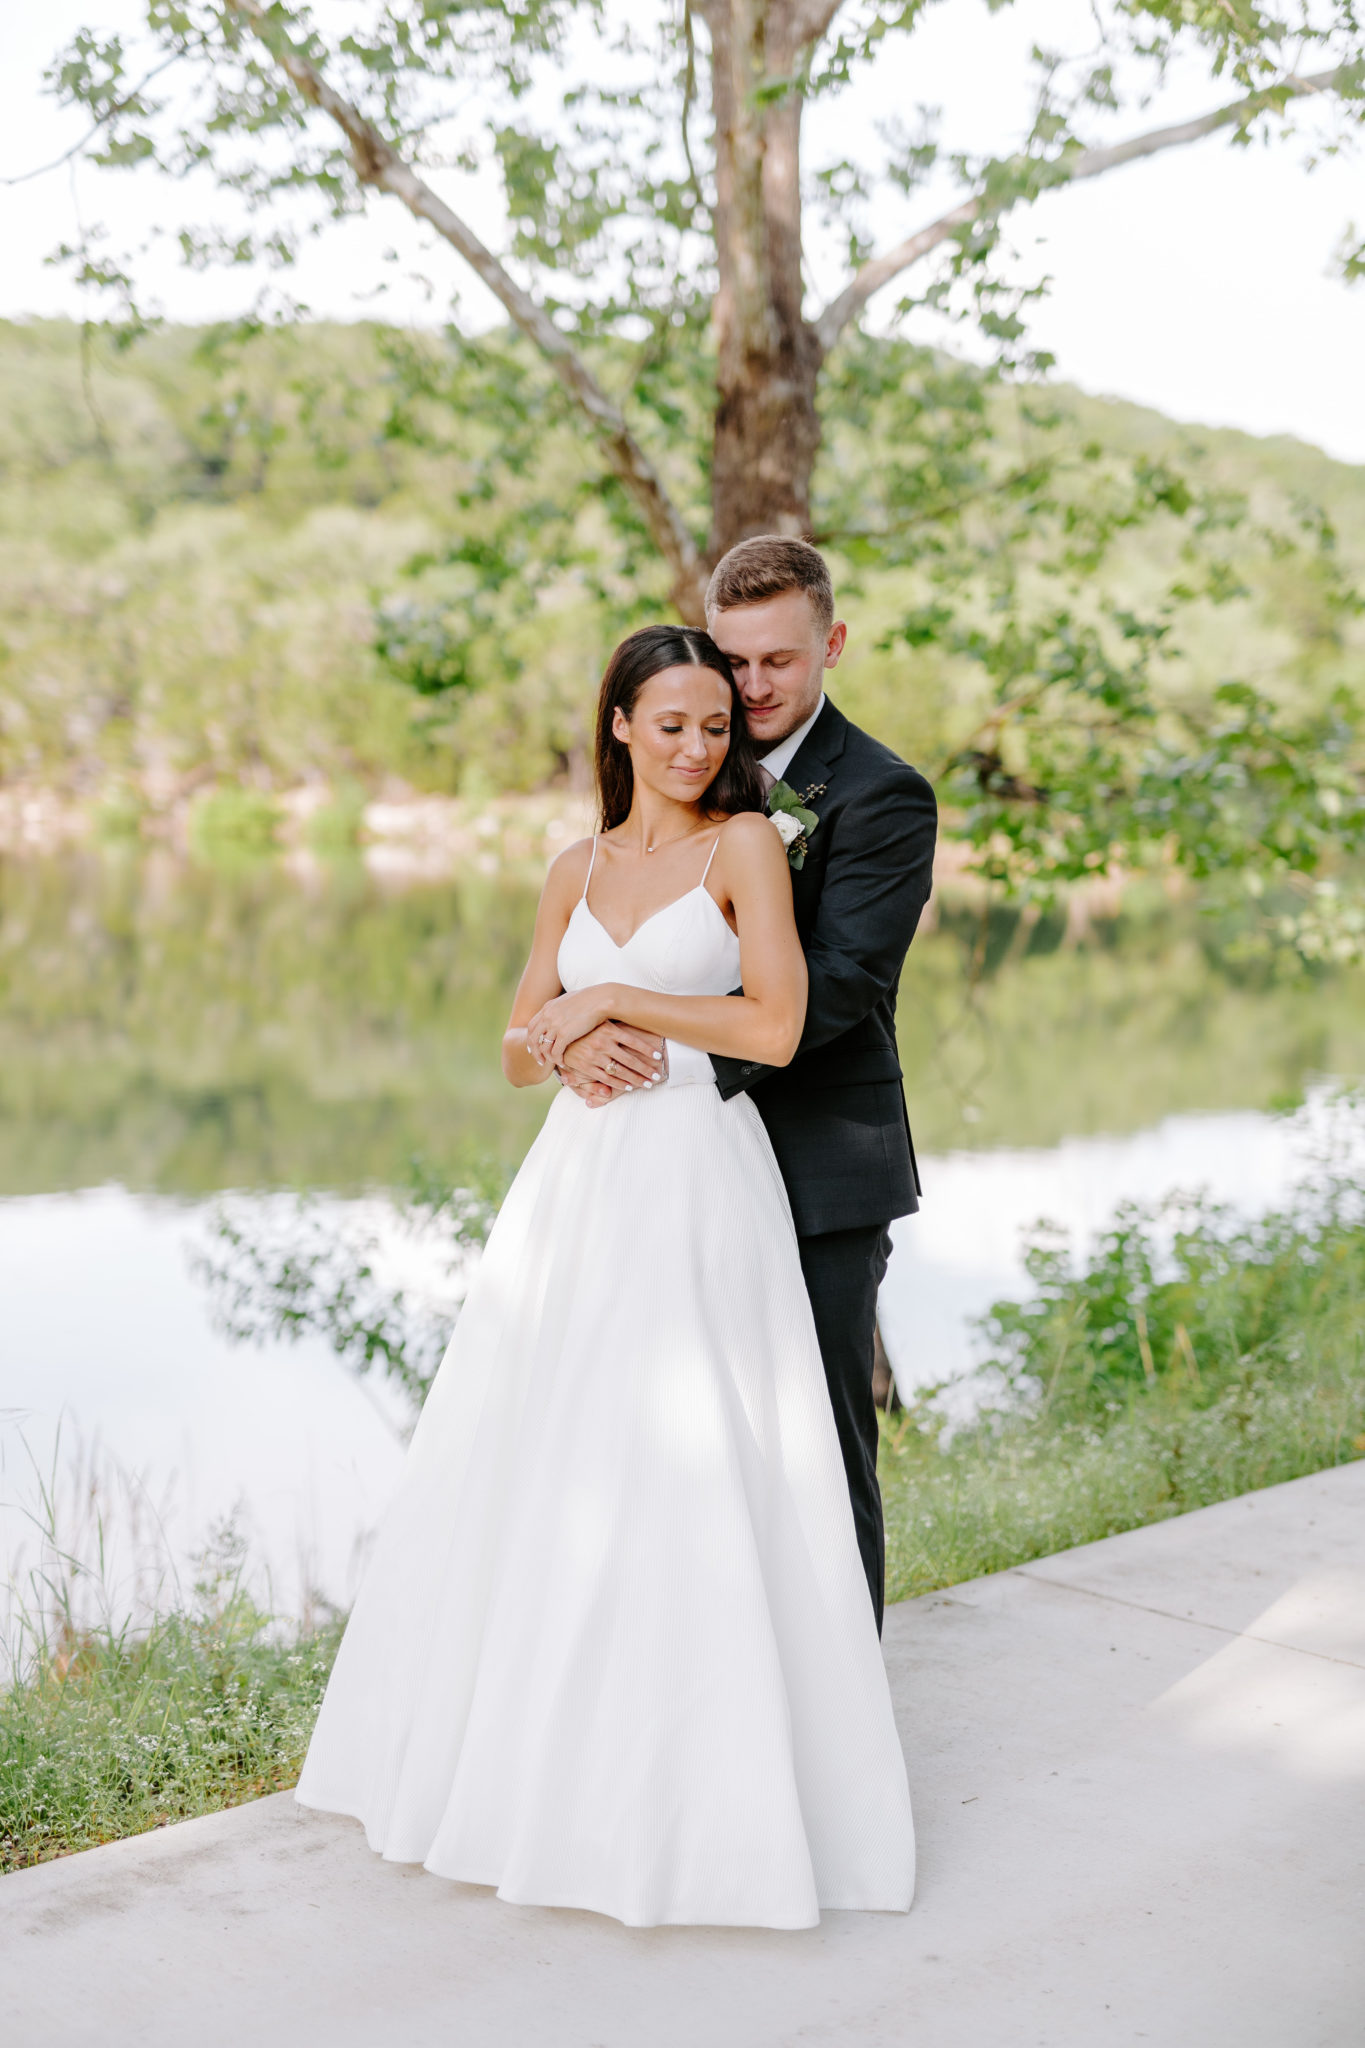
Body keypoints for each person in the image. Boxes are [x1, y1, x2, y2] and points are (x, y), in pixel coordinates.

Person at [296, 622, 915, 1930]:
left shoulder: (743, 845)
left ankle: (714, 1799)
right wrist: (562, 1041)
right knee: (555, 1464)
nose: (699, 744)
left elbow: (776, 1023)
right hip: (575, 1195)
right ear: (619, 724)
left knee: (693, 1471)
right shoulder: (572, 865)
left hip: (696, 1177)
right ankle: (543, 1780)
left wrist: (617, 1006)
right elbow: (518, 1042)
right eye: (673, 722)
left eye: (716, 723)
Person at [558, 538, 938, 1631]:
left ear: (833, 643)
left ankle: (845, 1707)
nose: (754, 685)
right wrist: (578, 1042)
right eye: (735, 661)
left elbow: (843, 985)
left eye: (779, 659)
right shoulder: (691, 772)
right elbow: (607, 952)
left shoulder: (881, 793)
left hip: (818, 1162)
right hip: (668, 1169)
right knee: (680, 1446)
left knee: (816, 1441)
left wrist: (640, 1030)